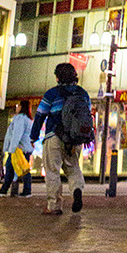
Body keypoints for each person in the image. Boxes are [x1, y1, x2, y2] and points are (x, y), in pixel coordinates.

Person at [30, 62, 93, 216]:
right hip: (75, 139)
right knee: (73, 168)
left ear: (57, 77)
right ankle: (77, 190)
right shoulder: (83, 94)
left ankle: (54, 205)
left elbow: (40, 116)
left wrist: (33, 136)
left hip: (54, 137)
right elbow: (86, 117)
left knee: (52, 171)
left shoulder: (52, 94)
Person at [0, 100, 34, 197]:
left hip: (18, 149)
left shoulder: (20, 118)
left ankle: (7, 190)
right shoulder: (28, 119)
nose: (16, 107)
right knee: (20, 169)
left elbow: (16, 134)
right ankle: (22, 190)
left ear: (21, 107)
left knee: (16, 169)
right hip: (23, 148)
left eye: (17, 105)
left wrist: (11, 149)